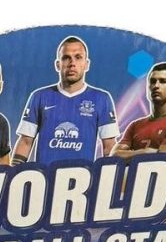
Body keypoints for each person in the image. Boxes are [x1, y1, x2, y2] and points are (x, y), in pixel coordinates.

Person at [12, 35, 118, 165]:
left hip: (83, 176)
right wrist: (13, 173)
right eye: (66, 58)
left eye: (78, 57)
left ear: (86, 64)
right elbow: (25, 141)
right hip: (44, 176)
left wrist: (111, 174)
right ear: (58, 65)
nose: (72, 63)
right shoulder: (39, 96)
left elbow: (109, 145)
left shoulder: (102, 99)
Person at [113, 62, 166, 161]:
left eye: (163, 81)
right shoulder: (135, 125)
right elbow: (114, 156)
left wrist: (130, 155)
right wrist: (145, 152)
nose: (156, 86)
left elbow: (161, 158)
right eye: (152, 81)